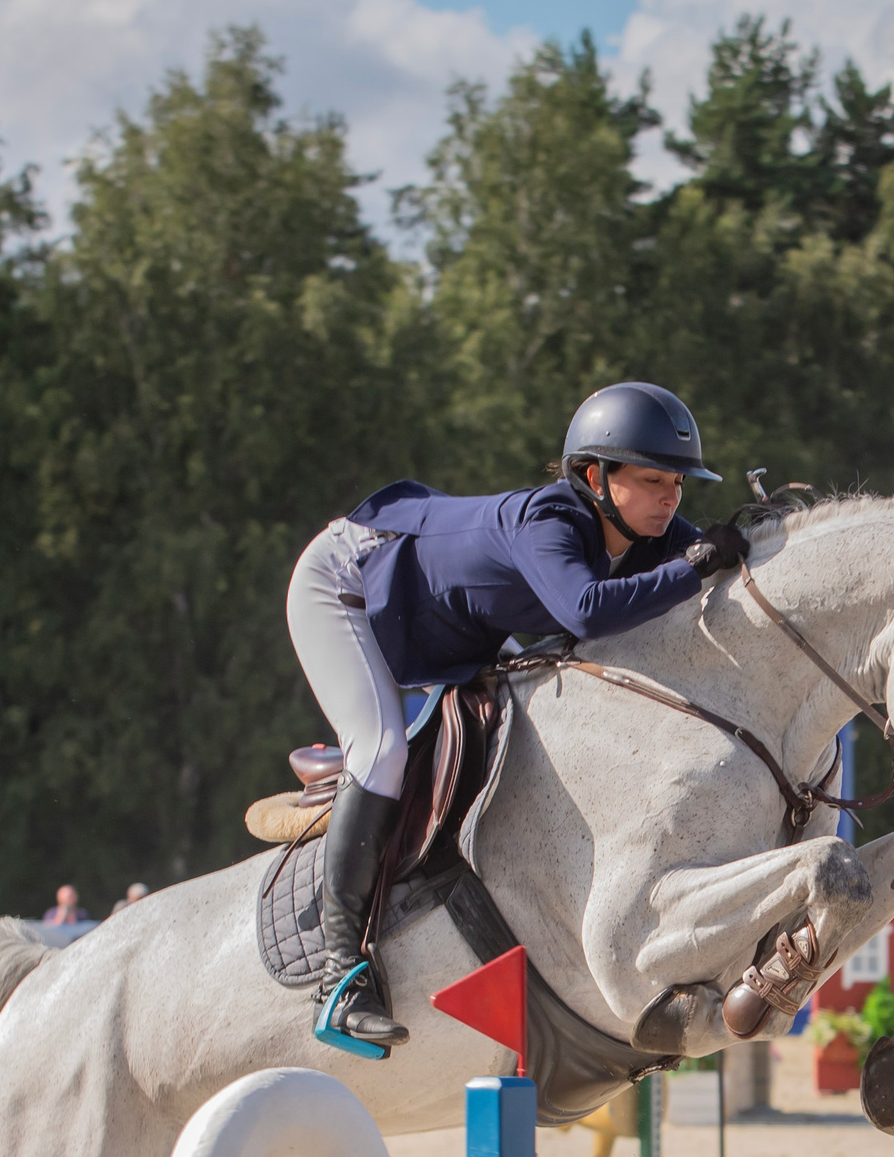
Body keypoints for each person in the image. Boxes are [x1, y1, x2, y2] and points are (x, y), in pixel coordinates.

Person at [289, 382, 745, 1052]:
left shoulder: (650, 532)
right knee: (382, 748)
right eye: (652, 480)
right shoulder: (549, 520)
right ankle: (340, 976)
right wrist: (696, 568)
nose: (671, 497)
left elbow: (709, 559)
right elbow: (587, 611)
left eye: (677, 482)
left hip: (451, 620)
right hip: (346, 584)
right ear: (595, 476)